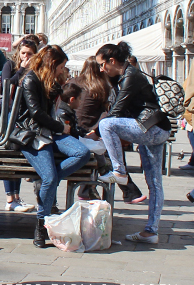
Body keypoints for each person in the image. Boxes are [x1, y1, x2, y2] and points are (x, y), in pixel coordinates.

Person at [15, 45, 91, 248]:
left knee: (82, 152)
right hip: (32, 134)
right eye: (61, 66)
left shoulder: (50, 82)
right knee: (48, 177)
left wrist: (61, 82)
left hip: (51, 132)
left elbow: (61, 99)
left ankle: (51, 184)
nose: (62, 70)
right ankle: (42, 224)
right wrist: (60, 126)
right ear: (52, 64)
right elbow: (35, 113)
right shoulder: (30, 79)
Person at [96, 42, 171, 244]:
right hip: (157, 129)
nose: (101, 69)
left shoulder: (131, 76)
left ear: (112, 61)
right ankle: (151, 231)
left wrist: (95, 131)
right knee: (154, 181)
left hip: (152, 129)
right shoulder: (123, 77)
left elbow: (117, 111)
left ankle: (119, 171)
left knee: (107, 124)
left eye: (102, 65)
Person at [75, 57, 145, 203]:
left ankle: (87, 189)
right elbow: (110, 112)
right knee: (113, 157)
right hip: (92, 130)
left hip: (78, 131)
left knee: (108, 157)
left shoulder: (74, 82)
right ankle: (129, 192)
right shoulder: (101, 86)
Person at [0, 39, 38, 212]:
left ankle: (16, 197)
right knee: (10, 155)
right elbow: (6, 84)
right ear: (18, 53)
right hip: (11, 113)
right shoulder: (10, 65)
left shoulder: (37, 69)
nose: (26, 56)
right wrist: (22, 69)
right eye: (23, 53)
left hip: (27, 116)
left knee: (20, 157)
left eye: (30, 54)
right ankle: (10, 198)